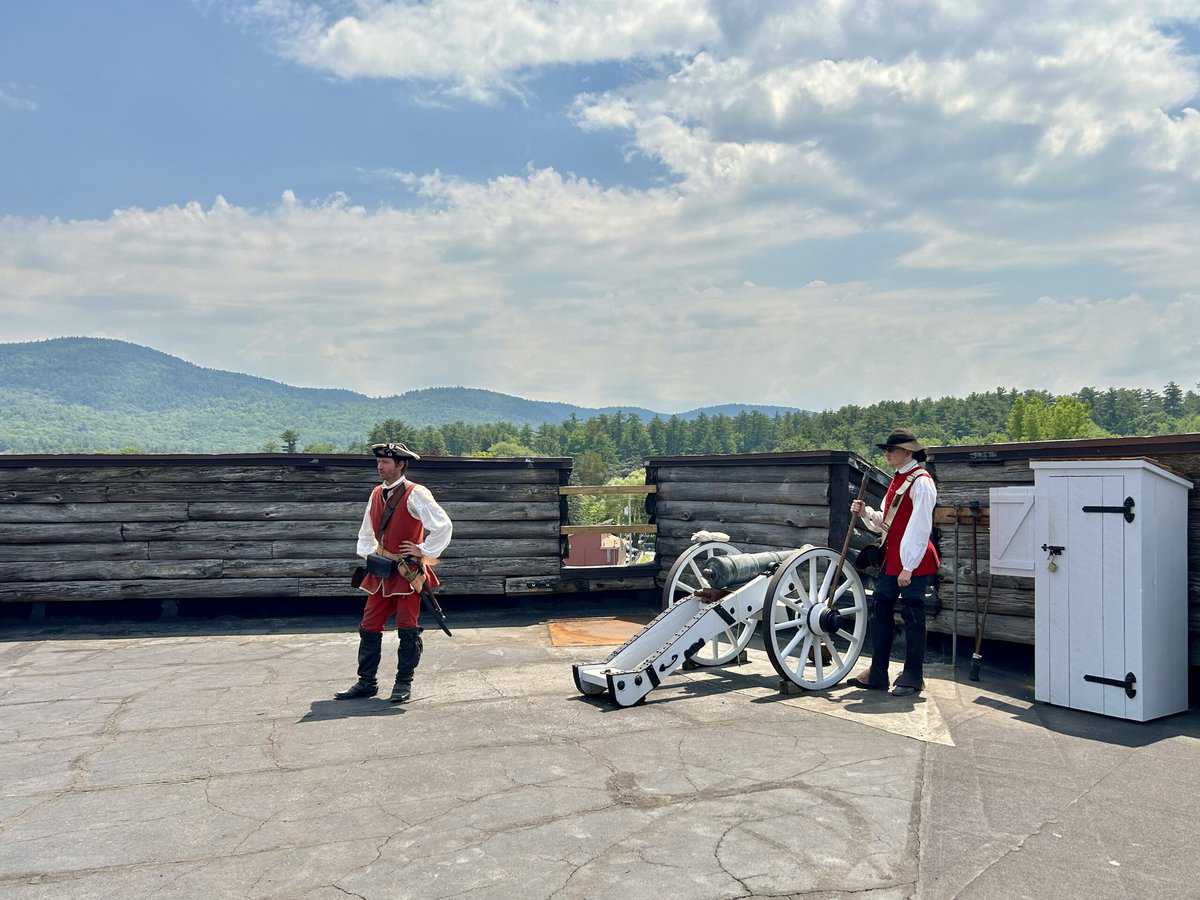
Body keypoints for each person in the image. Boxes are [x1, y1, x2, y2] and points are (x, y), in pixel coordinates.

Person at [334, 442, 452, 703]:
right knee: (369, 624)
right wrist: (370, 556)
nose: (380, 466)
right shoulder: (376, 493)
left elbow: (443, 526)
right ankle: (367, 682)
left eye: (386, 462)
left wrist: (422, 549)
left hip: (407, 572)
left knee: (408, 626)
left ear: (400, 465)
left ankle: (403, 683)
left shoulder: (416, 493)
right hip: (382, 571)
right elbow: (366, 531)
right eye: (379, 462)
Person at [847, 428, 939, 697]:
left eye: (891, 449)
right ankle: (878, 672)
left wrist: (908, 566)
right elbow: (886, 525)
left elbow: (921, 527)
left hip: (914, 560)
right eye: (886, 449)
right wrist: (865, 513)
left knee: (912, 615)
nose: (886, 453)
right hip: (893, 558)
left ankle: (912, 676)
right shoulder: (898, 480)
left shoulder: (922, 482)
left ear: (907, 452)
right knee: (881, 610)